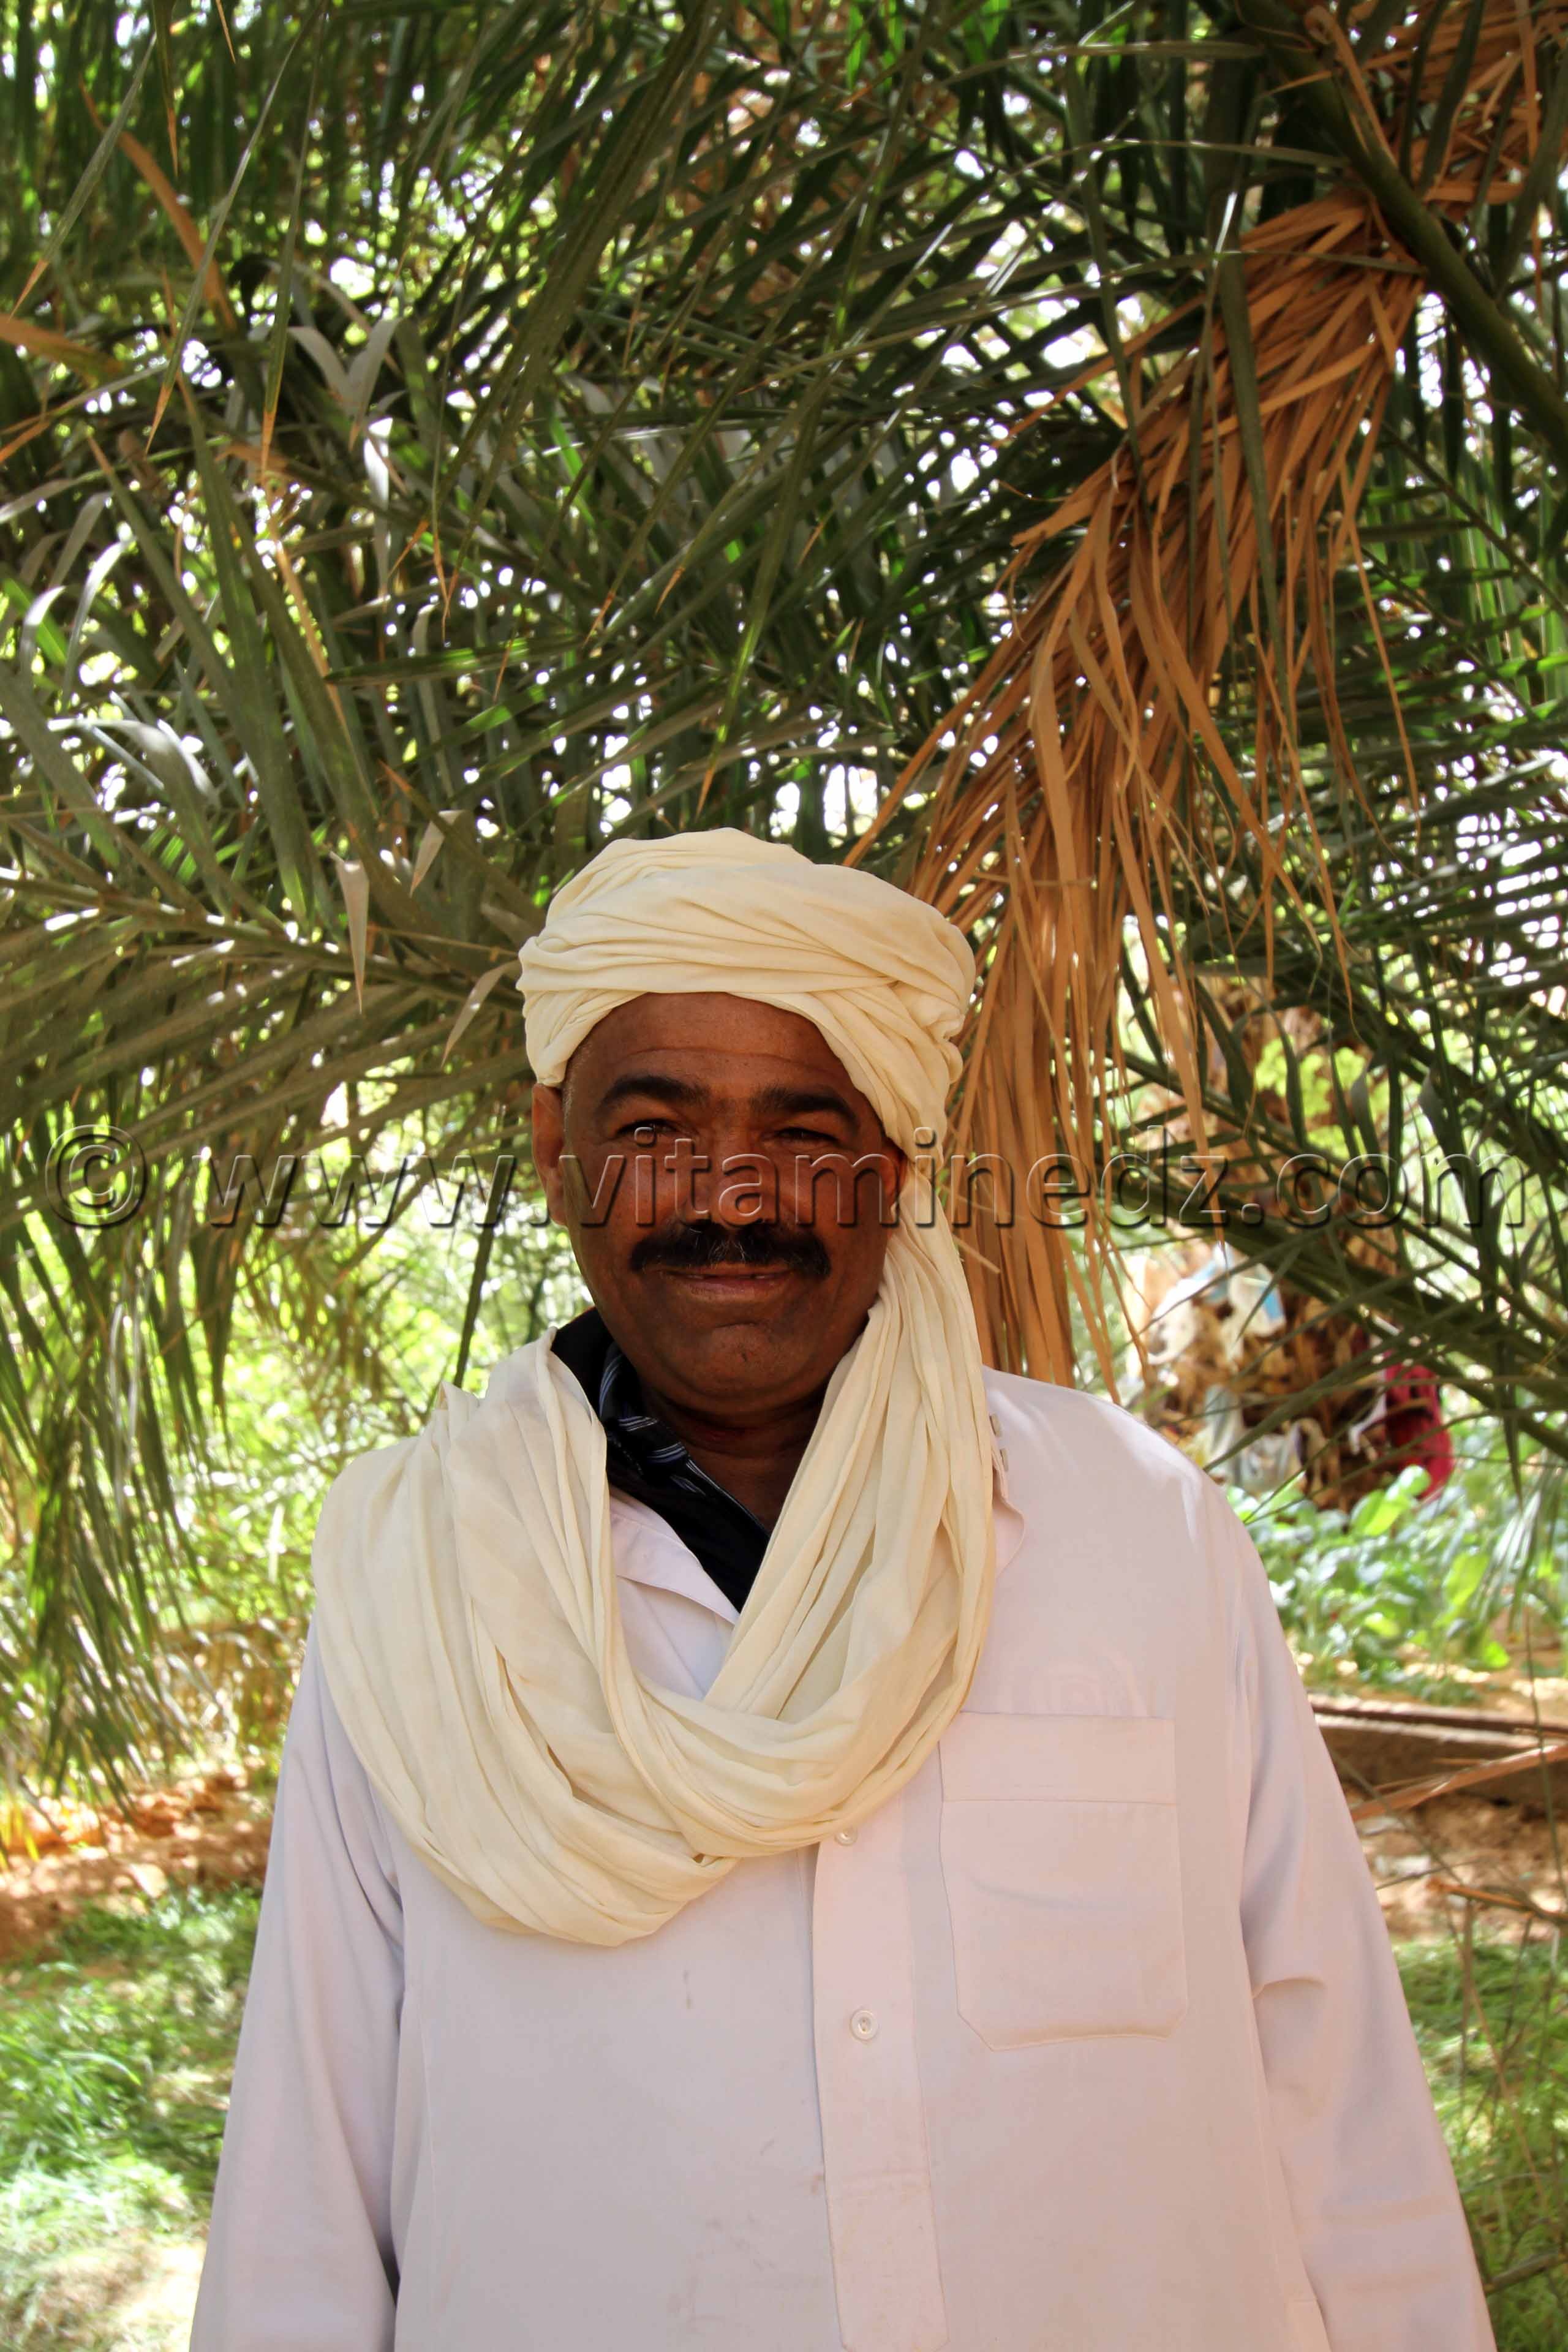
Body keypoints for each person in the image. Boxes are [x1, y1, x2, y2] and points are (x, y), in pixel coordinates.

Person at [191, 830, 1493, 2352]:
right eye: (655, 1127)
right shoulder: (421, 1590)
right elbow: (305, 2202)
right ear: (556, 1151)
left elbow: (1336, 2098)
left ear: (890, 1168)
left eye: (801, 1133)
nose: (731, 1196)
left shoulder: (1137, 1533)